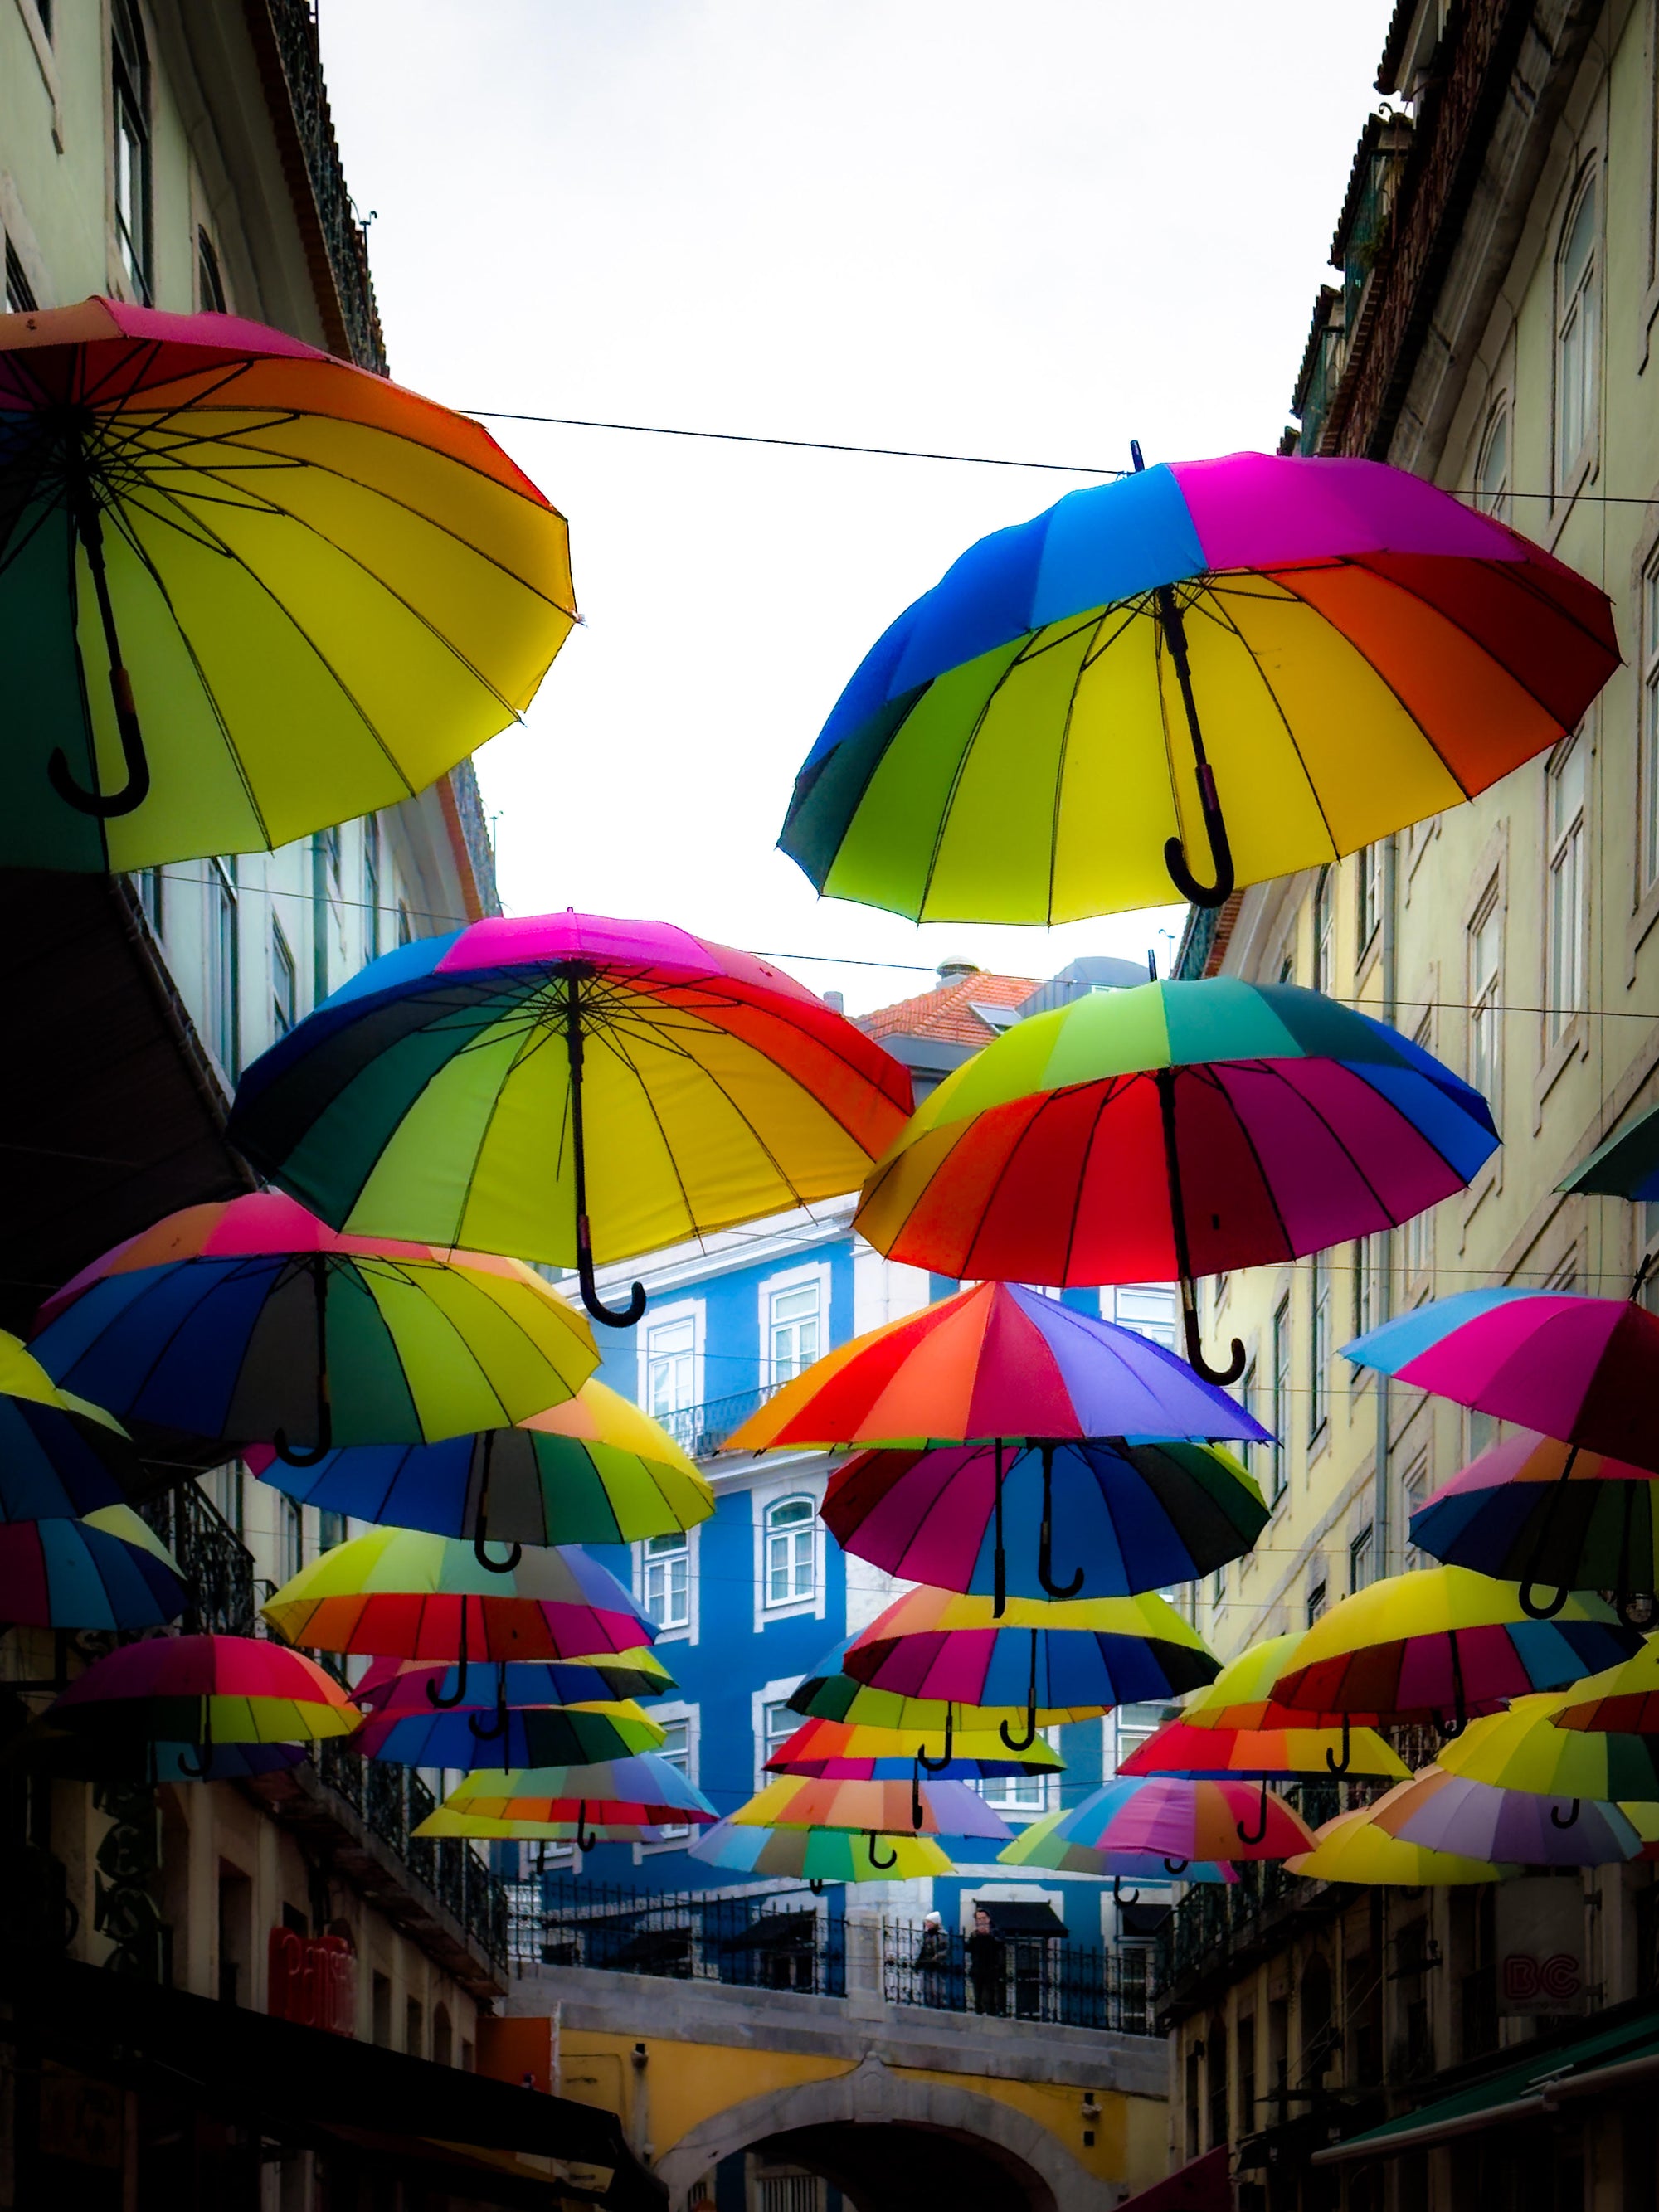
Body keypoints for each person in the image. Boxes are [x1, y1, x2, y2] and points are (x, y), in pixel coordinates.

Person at [966, 1905, 1005, 2016]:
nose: (981, 1921)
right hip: (977, 1969)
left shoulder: (995, 1932)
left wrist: (989, 1935)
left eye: (983, 1918)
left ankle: (991, 2013)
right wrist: (975, 1937)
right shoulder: (974, 1934)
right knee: (977, 1995)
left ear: (988, 1919)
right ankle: (979, 2011)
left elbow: (1000, 1945)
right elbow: (968, 1948)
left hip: (991, 1969)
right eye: (979, 1919)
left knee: (990, 1995)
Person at [912, 1909, 951, 2008]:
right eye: (926, 1922)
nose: (927, 1924)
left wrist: (936, 1958)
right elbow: (922, 1948)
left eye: (929, 1922)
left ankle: (939, 2004)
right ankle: (928, 2003)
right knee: (926, 1987)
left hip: (937, 1964)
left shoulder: (942, 1934)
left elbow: (945, 1949)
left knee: (936, 1987)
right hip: (927, 1963)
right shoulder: (926, 1934)